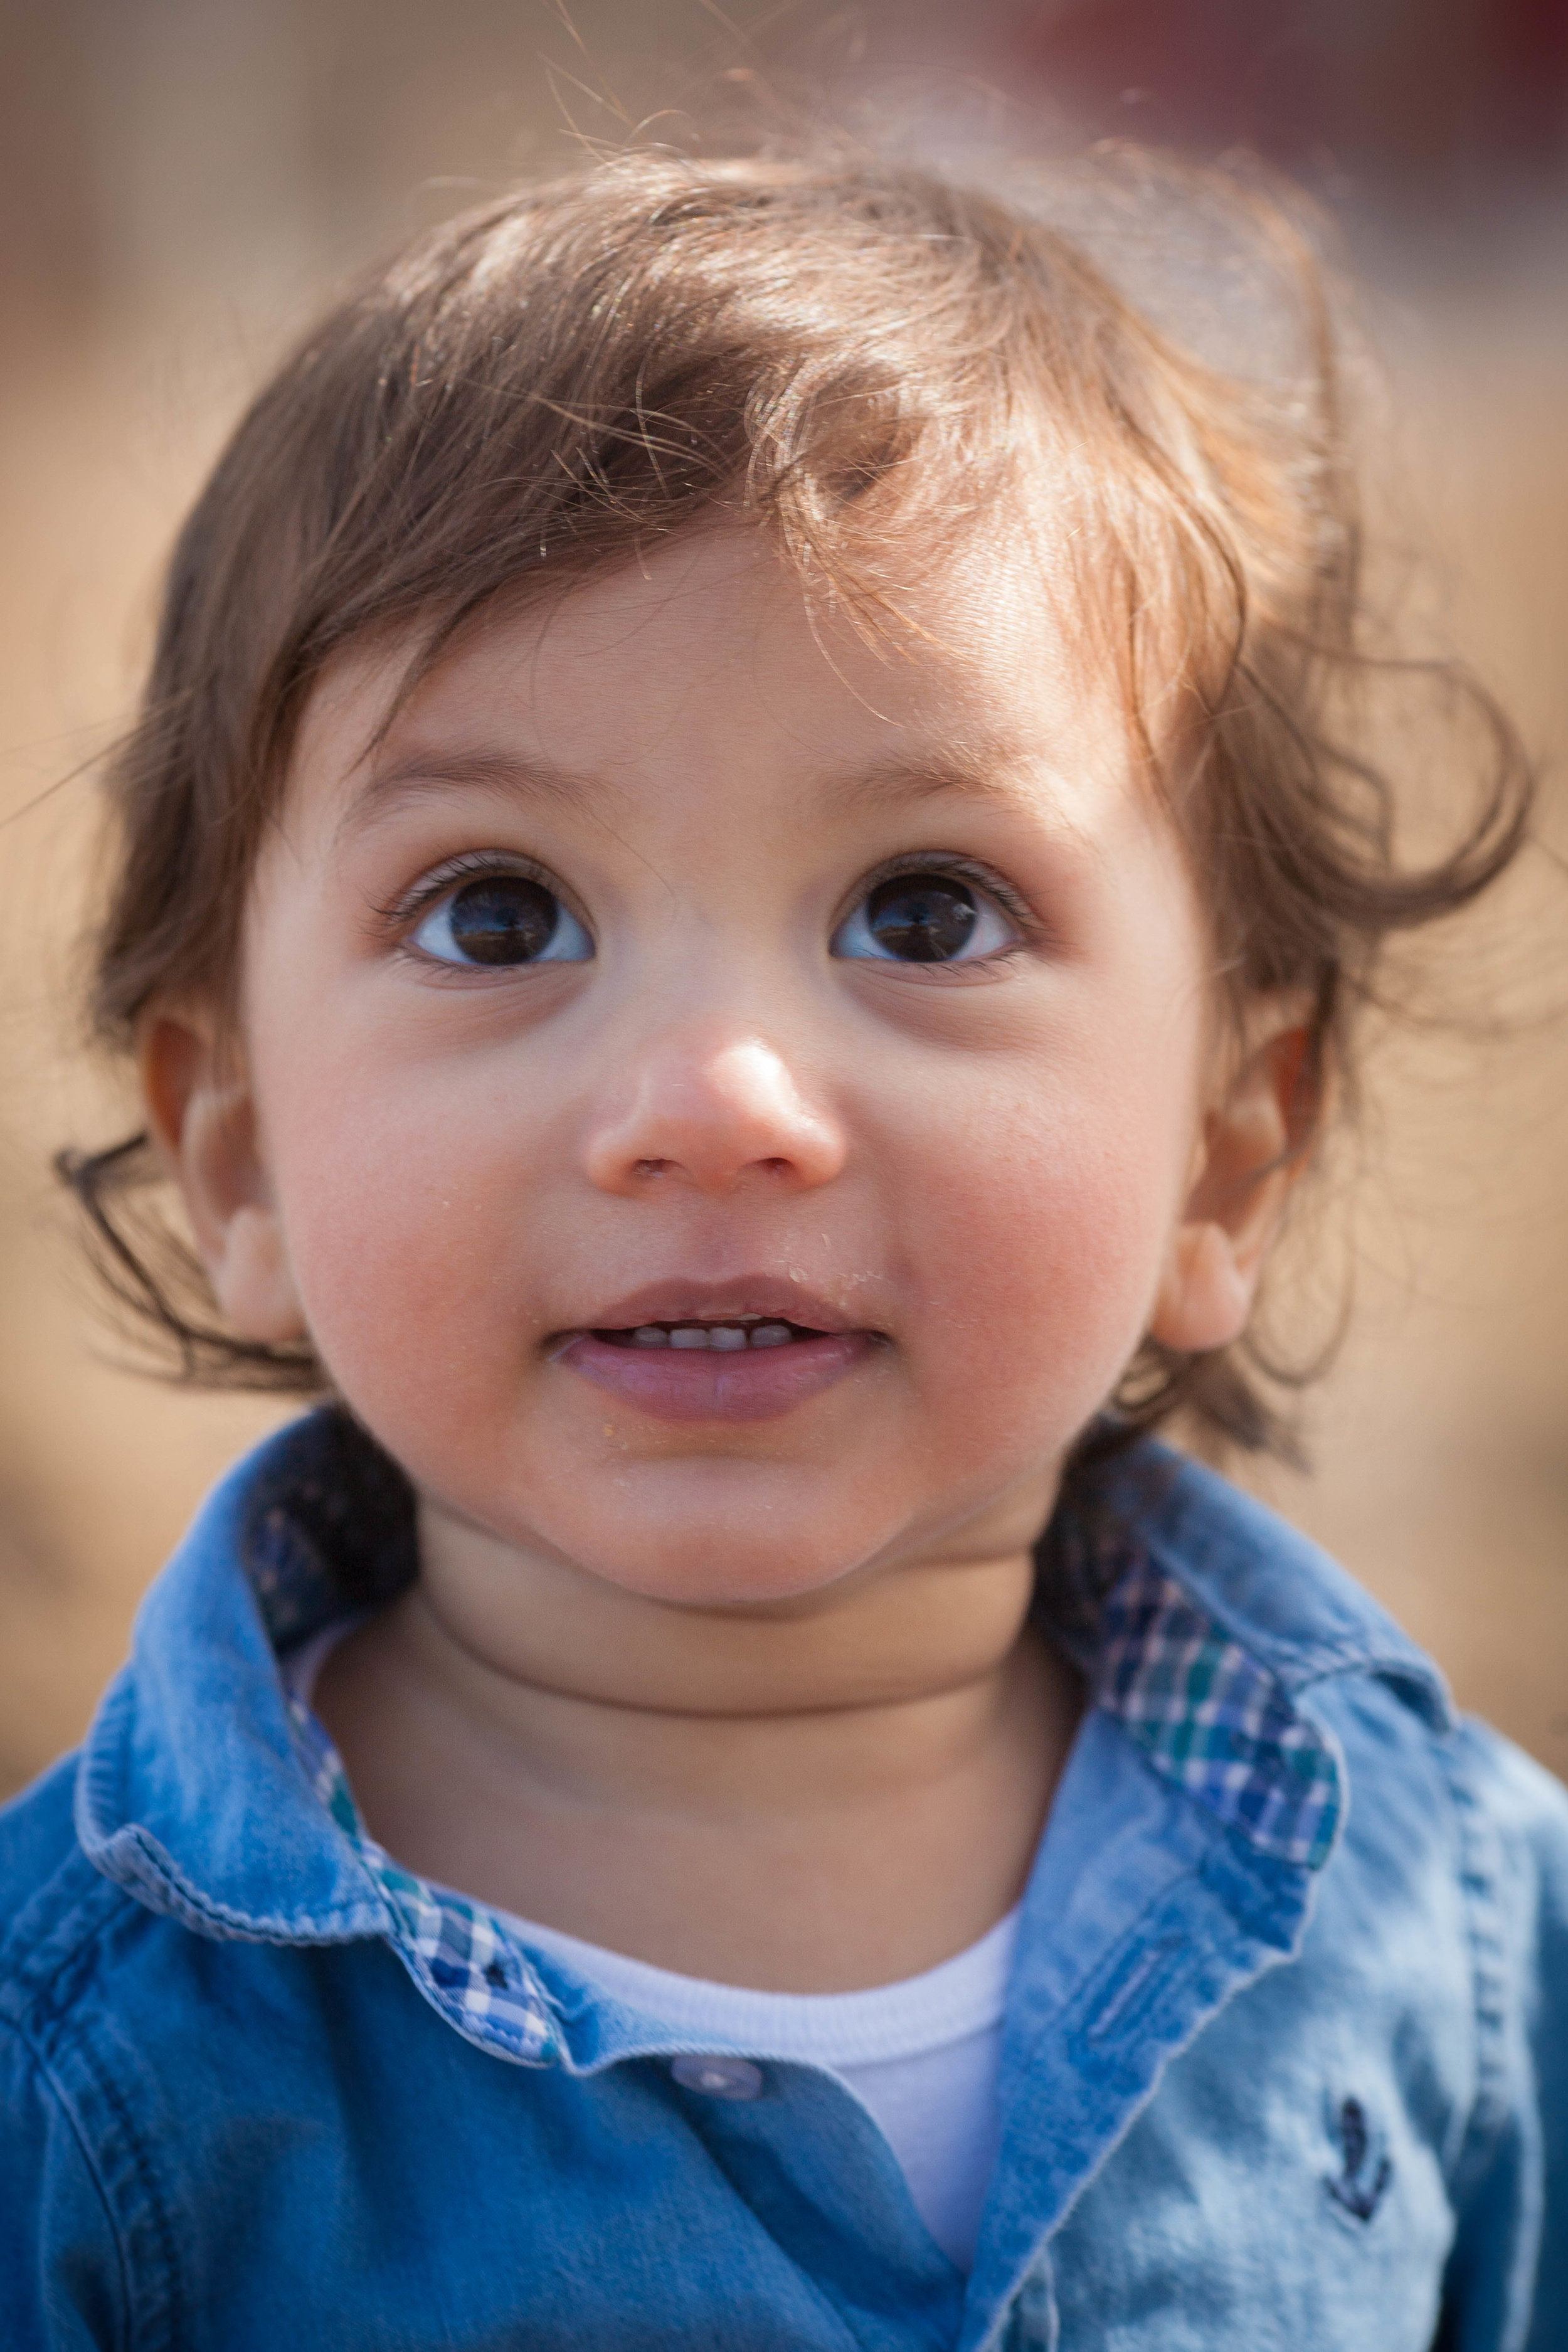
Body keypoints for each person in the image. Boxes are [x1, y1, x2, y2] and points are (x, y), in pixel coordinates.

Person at [1, 146, 1563, 2351]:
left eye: (923, 912)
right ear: (234, 1157)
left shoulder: (1457, 1932)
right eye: (497, 914)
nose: (715, 1102)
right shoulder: (82, 2070)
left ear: (1226, 1154)